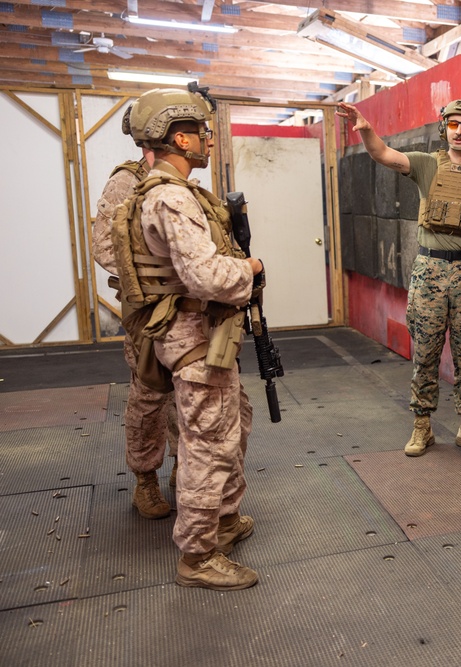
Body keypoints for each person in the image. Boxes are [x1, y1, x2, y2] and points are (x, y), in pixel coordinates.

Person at [117, 86, 262, 590]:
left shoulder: (156, 192)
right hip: (194, 337)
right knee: (207, 444)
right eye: (201, 132)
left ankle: (223, 522)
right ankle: (198, 556)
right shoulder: (172, 196)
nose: (207, 141)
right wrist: (249, 268)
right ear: (181, 137)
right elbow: (205, 277)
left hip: (195, 334)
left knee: (229, 425)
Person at [336, 99, 461, 457]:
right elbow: (383, 154)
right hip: (430, 271)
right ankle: (422, 426)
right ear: (444, 128)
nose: (460, 131)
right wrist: (366, 128)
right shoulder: (427, 165)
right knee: (425, 354)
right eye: (454, 124)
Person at [92, 105, 180, 521]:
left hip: (184, 309)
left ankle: (187, 469)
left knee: (188, 394)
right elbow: (105, 248)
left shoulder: (178, 180)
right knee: (149, 395)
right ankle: (145, 480)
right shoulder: (127, 180)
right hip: (146, 310)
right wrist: (155, 279)